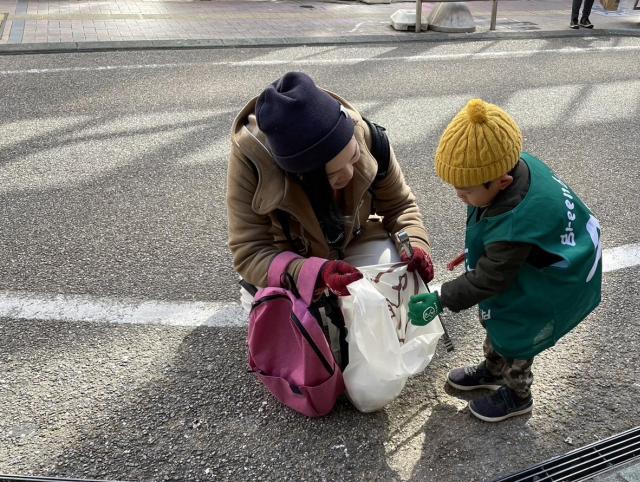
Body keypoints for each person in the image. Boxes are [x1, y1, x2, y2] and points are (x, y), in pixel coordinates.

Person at [408, 99, 602, 423]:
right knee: (499, 318)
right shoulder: (508, 162)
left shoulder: (515, 226)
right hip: (532, 257)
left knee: (517, 333)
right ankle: (493, 368)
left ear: (502, 182)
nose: (460, 197)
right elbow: (494, 259)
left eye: (466, 192)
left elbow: (490, 279)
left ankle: (517, 394)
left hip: (554, 278)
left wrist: (441, 298)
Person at [226, 71, 433, 315]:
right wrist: (313, 273)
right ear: (302, 177)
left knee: (396, 281)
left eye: (353, 157)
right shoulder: (251, 165)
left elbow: (400, 206)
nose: (348, 174)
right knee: (272, 311)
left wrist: (416, 244)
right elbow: (250, 251)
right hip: (289, 252)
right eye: (333, 176)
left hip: (353, 238)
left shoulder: (366, 135)